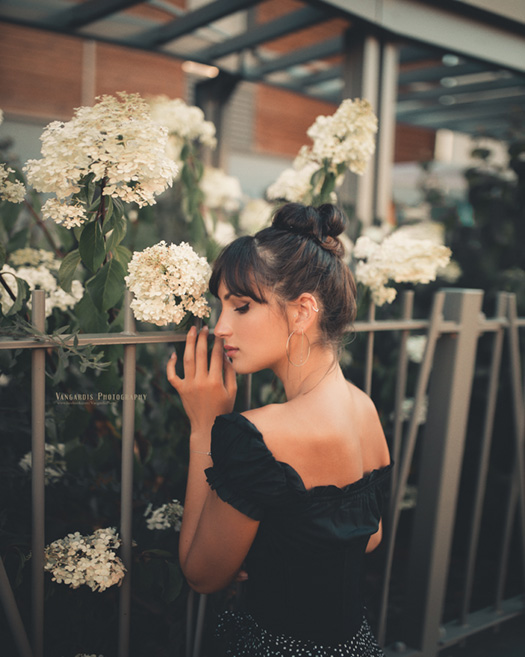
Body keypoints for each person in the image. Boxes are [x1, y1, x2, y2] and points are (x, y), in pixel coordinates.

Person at [167, 202, 392, 656]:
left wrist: (205, 427)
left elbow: (202, 575)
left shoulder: (260, 434)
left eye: (242, 307)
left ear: (302, 311)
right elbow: (369, 537)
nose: (220, 328)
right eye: (220, 307)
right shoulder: (363, 409)